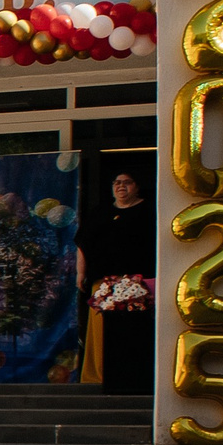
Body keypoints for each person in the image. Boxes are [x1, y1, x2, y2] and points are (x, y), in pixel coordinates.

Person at [77, 168, 155, 393]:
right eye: (116, 183)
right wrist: (80, 274)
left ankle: (132, 374)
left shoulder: (149, 210)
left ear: (137, 186)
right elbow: (82, 244)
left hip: (140, 281)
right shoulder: (101, 213)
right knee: (101, 331)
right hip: (104, 282)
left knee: (134, 331)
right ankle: (98, 375)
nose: (121, 186)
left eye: (127, 182)